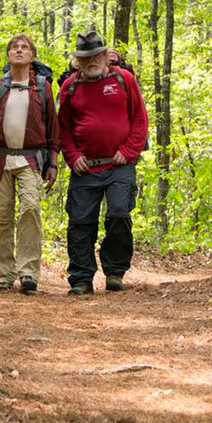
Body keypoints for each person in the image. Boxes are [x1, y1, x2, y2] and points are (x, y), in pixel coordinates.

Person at [58, 29, 149, 296]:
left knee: (119, 213)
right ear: (78, 61)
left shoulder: (124, 80)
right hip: (85, 167)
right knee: (80, 221)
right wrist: (72, 156)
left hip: (120, 164)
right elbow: (63, 128)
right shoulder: (70, 87)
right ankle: (81, 278)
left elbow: (140, 120)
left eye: (96, 55)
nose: (92, 61)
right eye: (85, 58)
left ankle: (115, 271)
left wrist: (129, 150)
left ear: (105, 56)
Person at [0, 34, 60, 294]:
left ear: (32, 56)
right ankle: (3, 274)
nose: (19, 51)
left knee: (30, 209)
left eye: (24, 48)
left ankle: (29, 273)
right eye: (14, 48)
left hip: (31, 159)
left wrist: (53, 162)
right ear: (8, 55)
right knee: (0, 218)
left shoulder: (42, 89)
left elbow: (52, 127)